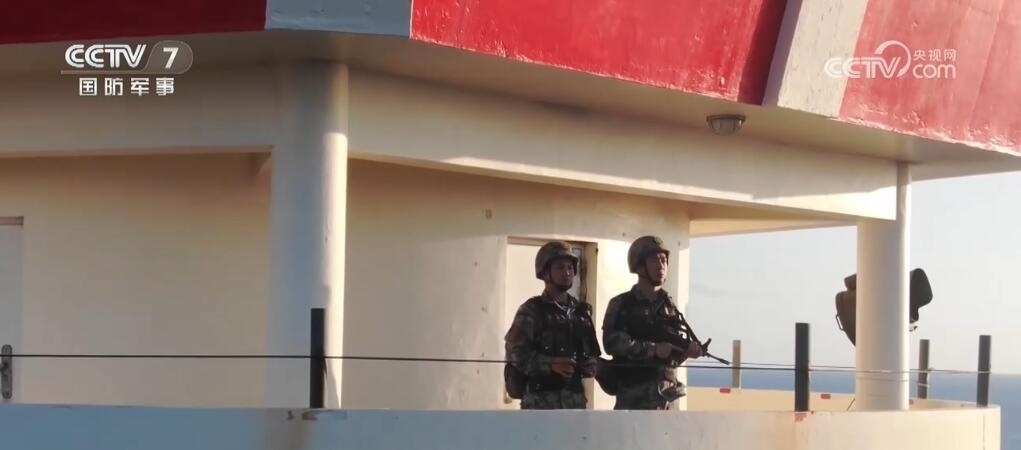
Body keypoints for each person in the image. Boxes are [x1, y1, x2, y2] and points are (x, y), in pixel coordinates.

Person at [602, 235, 704, 410]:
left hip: (666, 399)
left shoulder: (669, 305)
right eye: (654, 260)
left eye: (664, 260)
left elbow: (671, 357)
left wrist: (686, 352)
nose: (661, 265)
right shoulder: (621, 303)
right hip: (634, 399)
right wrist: (652, 349)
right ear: (639, 265)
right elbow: (611, 343)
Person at [504, 241, 601, 409]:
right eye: (560, 267)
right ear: (545, 272)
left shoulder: (580, 312)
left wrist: (591, 366)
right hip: (539, 404)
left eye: (570, 267)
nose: (567, 272)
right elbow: (514, 353)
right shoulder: (531, 310)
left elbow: (591, 355)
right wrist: (550, 364)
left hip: (574, 404)